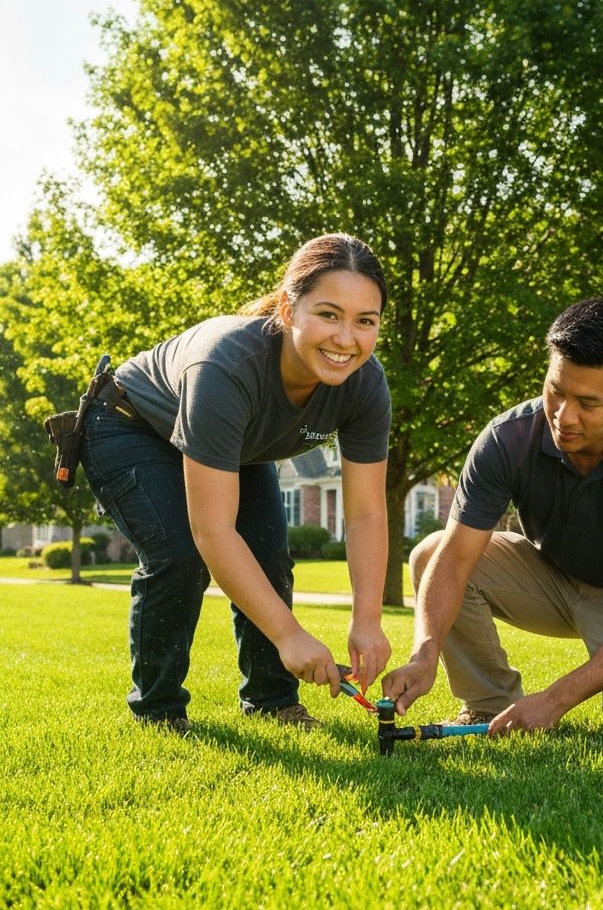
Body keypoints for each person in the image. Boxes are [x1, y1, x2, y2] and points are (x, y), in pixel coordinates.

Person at [80, 233, 392, 733]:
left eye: (365, 321)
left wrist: (369, 620)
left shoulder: (366, 384)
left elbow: (366, 513)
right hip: (129, 424)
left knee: (269, 554)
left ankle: (272, 701)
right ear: (289, 311)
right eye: (328, 314)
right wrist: (290, 635)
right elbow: (213, 531)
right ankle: (158, 712)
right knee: (180, 553)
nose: (345, 339)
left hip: (236, 445)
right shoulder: (227, 365)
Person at [382, 298, 603, 734]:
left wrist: (554, 701)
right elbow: (456, 560)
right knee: (431, 553)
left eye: (587, 403)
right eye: (556, 390)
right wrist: (424, 652)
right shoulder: (505, 440)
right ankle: (488, 703)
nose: (563, 416)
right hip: (550, 579)